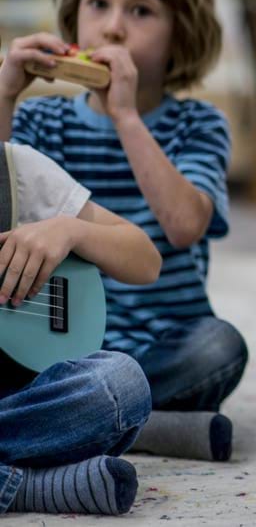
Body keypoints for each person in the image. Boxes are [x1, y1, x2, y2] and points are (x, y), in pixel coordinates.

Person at [0, 0, 243, 462]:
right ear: (73, 13)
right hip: (54, 342)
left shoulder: (198, 125)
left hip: (164, 343)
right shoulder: (43, 120)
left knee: (220, 347)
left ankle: (84, 412)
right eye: (98, 4)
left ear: (181, 30)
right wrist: (6, 93)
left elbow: (184, 226)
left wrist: (128, 118)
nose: (113, 28)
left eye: (140, 11)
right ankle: (137, 421)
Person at [0, 140, 161, 515]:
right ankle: (27, 488)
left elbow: (146, 261)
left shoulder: (14, 169)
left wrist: (70, 230)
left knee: (120, 384)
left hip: (16, 397)